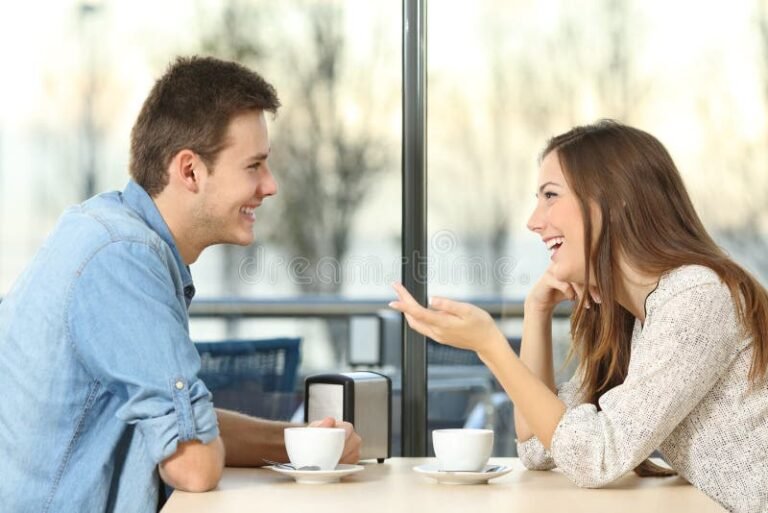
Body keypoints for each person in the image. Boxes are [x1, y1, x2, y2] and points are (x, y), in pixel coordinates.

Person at [0, 56, 360, 513]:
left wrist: (306, 441)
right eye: (254, 166)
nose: (270, 186)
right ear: (190, 171)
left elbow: (188, 430)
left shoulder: (109, 231)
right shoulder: (124, 260)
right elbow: (194, 465)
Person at [390, 120, 768, 513]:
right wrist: (536, 311)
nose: (533, 221)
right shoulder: (635, 320)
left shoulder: (697, 296)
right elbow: (538, 446)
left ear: (614, 201)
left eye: (550, 196)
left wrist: (490, 347)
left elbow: (596, 456)